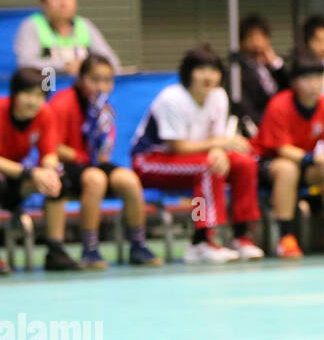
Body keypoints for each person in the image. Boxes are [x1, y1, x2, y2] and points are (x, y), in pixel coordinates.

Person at [130, 48, 264, 264]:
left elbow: (218, 137)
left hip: (196, 158)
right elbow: (177, 147)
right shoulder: (171, 99)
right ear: (188, 73)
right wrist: (217, 145)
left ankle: (240, 235)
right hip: (151, 162)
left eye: (214, 70)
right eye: (201, 69)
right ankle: (200, 240)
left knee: (244, 164)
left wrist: (219, 150)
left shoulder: (219, 96)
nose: (208, 76)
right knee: (207, 167)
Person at [46, 54, 162, 269]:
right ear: (81, 79)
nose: (101, 85)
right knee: (96, 179)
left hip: (92, 164)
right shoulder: (62, 102)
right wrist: (80, 156)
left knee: (129, 180)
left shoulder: (104, 110)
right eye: (95, 79)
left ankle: (138, 245)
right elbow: (51, 146)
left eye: (107, 80)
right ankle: (90, 249)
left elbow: (104, 152)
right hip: (69, 167)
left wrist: (100, 152)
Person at [254, 53, 324, 258]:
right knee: (287, 168)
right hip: (269, 165)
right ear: (294, 82)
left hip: (304, 163)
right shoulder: (280, 104)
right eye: (306, 79)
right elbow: (282, 149)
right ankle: (285, 237)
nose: (313, 84)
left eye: (318, 78)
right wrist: (313, 159)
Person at [0, 67, 77, 273]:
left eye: (39, 95)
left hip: (15, 178)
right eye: (27, 94)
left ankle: (55, 250)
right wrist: (30, 172)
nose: (32, 102)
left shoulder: (44, 114)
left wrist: (51, 172)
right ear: (14, 93)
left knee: (58, 183)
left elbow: (49, 153)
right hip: (8, 173)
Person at [14, 0, 121, 77]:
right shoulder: (32, 26)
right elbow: (25, 64)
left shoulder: (85, 25)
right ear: (43, 2)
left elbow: (112, 63)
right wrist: (64, 66)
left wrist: (87, 67)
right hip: (48, 89)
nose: (63, 2)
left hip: (81, 91)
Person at [230, 14, 289, 128]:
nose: (257, 42)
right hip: (263, 126)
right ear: (241, 42)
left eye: (262, 36)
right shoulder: (237, 72)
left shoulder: (274, 67)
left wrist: (276, 64)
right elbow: (245, 109)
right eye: (251, 37)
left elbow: (291, 87)